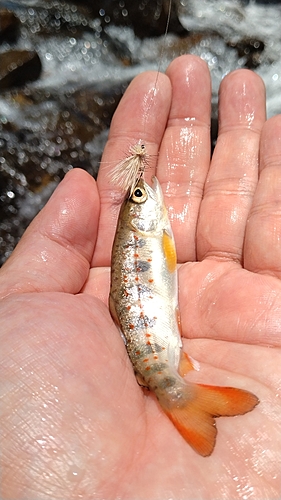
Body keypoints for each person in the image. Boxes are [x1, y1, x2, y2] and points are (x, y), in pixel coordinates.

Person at [0, 55, 280, 499]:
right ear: (138, 212)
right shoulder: (151, 229)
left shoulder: (150, 227)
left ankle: (179, 390)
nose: (144, 192)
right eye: (138, 194)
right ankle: (180, 396)